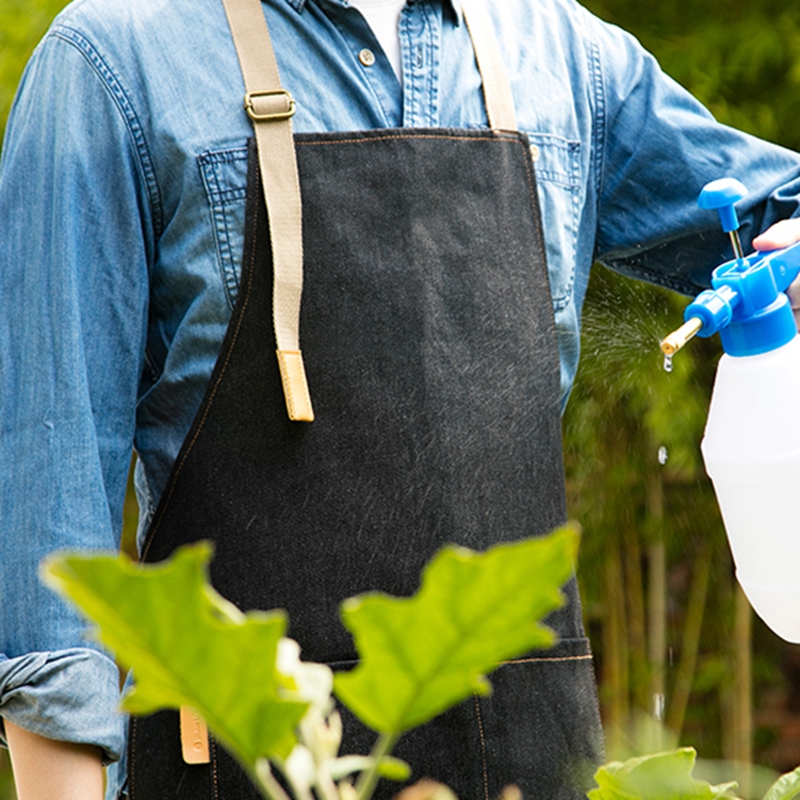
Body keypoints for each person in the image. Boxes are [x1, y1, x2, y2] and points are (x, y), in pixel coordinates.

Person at [2, 0, 800, 798]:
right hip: (247, 766)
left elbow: (778, 211)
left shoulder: (561, 53)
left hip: (534, 764)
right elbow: (51, 557)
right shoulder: (114, 59)